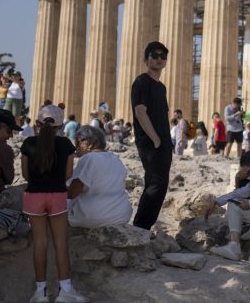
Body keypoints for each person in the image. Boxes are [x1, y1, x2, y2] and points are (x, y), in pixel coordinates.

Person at [21, 104, 88, 303]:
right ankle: (65, 290)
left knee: (40, 244)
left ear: (37, 124)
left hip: (34, 195)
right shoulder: (67, 145)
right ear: (60, 126)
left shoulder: (28, 144)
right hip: (58, 195)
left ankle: (40, 292)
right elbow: (68, 174)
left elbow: (25, 174)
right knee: (60, 243)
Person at [131, 41, 172, 231]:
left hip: (162, 142)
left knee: (159, 184)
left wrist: (164, 141)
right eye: (154, 55)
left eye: (163, 56)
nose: (159, 59)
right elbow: (140, 112)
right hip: (151, 142)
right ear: (146, 59)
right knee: (156, 184)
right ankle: (140, 227)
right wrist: (155, 139)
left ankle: (144, 227)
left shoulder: (161, 87)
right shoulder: (142, 81)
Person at [67, 125, 132, 228]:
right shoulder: (116, 159)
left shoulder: (88, 158)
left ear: (89, 143)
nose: (76, 149)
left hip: (94, 217)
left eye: (78, 143)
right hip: (121, 215)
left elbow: (72, 193)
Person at [0, 109, 21, 207]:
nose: (10, 136)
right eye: (9, 131)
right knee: (27, 191)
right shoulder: (3, 148)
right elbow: (9, 179)